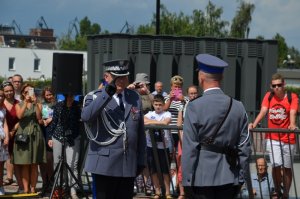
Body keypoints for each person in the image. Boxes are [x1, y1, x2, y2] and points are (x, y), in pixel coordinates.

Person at [182, 54, 251, 199]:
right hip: (230, 176)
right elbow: (244, 146)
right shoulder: (238, 106)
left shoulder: (194, 107)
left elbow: (189, 148)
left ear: (201, 78)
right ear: (221, 77)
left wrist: (187, 181)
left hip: (201, 177)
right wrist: (241, 177)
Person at [81, 59, 146, 199]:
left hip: (127, 163)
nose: (121, 81)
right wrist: (106, 93)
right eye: (117, 77)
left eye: (124, 77)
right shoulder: (95, 96)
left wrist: (141, 159)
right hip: (104, 164)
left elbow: (140, 131)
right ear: (107, 77)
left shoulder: (134, 97)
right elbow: (87, 116)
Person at [248, 73, 298, 199]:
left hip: (288, 138)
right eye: (274, 86)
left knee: (287, 168)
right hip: (273, 138)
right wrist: (253, 124)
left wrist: (292, 124)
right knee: (276, 165)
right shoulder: (269, 96)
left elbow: (292, 113)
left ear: (284, 84)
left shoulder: (292, 97)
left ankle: (286, 193)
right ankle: (277, 190)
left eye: (279, 85)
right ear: (271, 86)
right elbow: (264, 111)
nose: (276, 88)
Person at [13, 83, 47, 193]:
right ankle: (26, 188)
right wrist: (26, 102)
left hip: (35, 134)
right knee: (25, 163)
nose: (28, 94)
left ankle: (33, 188)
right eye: (26, 92)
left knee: (34, 164)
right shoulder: (19, 104)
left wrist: (35, 103)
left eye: (30, 91)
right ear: (23, 93)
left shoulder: (38, 104)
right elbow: (19, 116)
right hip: (23, 134)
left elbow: (39, 117)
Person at [47, 94, 81, 199]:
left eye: (72, 95)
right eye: (68, 95)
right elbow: (54, 122)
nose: (70, 98)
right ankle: (60, 188)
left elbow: (80, 121)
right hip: (58, 136)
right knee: (58, 163)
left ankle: (73, 190)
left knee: (72, 164)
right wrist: (49, 137)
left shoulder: (77, 106)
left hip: (73, 137)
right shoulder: (59, 105)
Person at [144, 94, 172, 199]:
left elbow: (165, 122)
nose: (158, 106)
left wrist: (151, 123)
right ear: (153, 105)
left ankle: (167, 193)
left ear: (163, 105)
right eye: (156, 104)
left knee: (165, 170)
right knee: (153, 170)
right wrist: (158, 122)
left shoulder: (167, 113)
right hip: (151, 145)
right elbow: (143, 121)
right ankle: (157, 192)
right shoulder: (149, 113)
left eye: (160, 104)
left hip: (164, 146)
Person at [176, 85, 199, 199]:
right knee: (181, 163)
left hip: (196, 137)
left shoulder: (201, 104)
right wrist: (181, 108)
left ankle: (194, 191)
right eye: (191, 93)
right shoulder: (184, 105)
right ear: (187, 94)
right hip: (185, 136)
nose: (193, 95)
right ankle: (182, 192)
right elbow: (179, 125)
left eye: (195, 93)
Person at [2, 81, 22, 190]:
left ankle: (19, 182)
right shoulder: (1, 102)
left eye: (10, 90)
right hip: (2, 134)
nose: (9, 92)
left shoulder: (18, 103)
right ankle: (7, 178)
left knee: (14, 157)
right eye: (6, 91)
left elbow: (21, 119)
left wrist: (13, 130)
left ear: (14, 91)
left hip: (15, 133)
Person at [39, 87, 55, 190]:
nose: (49, 96)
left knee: (50, 159)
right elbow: (43, 120)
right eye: (47, 95)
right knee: (44, 160)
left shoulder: (57, 104)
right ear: (44, 96)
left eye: (50, 94)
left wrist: (51, 118)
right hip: (44, 133)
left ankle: (51, 181)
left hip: (53, 134)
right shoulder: (42, 105)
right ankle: (45, 182)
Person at [0, 86, 9, 195]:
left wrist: (7, 137)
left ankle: (1, 186)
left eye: (2, 95)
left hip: (2, 141)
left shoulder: (3, 108)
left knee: (1, 165)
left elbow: (5, 124)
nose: (0, 97)